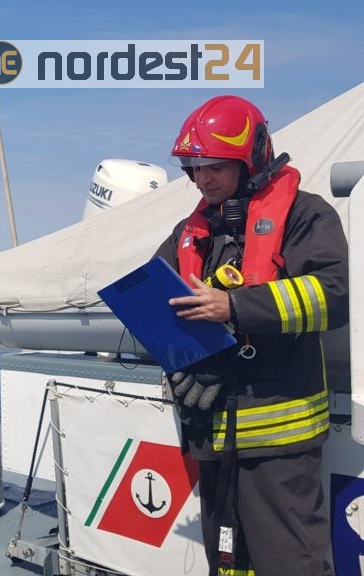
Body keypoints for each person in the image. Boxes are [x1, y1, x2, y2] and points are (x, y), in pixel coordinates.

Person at [155, 95, 348, 576]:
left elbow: (333, 295)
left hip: (279, 445)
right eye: (194, 168)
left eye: (216, 166)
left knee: (291, 565)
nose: (203, 179)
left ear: (253, 158)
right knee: (227, 565)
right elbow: (156, 303)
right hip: (211, 437)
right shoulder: (189, 232)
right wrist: (180, 360)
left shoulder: (305, 215)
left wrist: (236, 307)